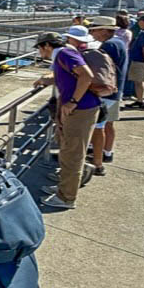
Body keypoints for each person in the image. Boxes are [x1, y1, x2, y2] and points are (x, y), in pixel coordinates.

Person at [42, 26, 99, 210]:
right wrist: (47, 80)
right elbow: (69, 78)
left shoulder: (64, 54)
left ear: (47, 46)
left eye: (39, 48)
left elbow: (86, 76)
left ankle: (66, 197)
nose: (39, 52)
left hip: (81, 109)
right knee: (68, 150)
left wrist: (72, 102)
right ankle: (64, 187)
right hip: (81, 109)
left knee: (72, 153)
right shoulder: (66, 54)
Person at [87, 16, 127, 172]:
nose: (92, 33)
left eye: (94, 30)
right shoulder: (119, 43)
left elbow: (100, 71)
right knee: (108, 124)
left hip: (106, 93)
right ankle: (107, 152)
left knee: (98, 127)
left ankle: (97, 163)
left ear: (104, 30)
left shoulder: (108, 45)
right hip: (116, 90)